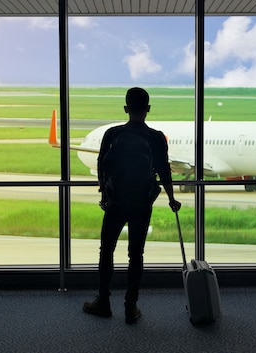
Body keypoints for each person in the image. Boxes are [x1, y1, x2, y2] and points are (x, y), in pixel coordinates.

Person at [83, 87, 181, 324]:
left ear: (126, 109)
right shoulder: (156, 137)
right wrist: (170, 198)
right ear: (147, 109)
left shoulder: (112, 134)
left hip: (116, 203)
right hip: (141, 204)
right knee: (135, 255)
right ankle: (130, 307)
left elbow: (101, 166)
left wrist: (105, 194)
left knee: (106, 251)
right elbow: (164, 171)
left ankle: (104, 303)